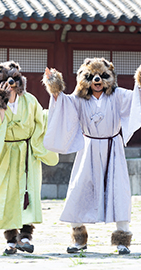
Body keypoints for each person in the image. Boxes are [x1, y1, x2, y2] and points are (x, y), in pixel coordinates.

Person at [42, 58, 141, 255]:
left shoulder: (118, 96)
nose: (97, 80)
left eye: (103, 76)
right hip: (88, 149)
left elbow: (136, 100)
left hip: (113, 149)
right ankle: (79, 238)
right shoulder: (78, 99)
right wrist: (54, 84)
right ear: (83, 79)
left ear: (110, 78)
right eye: (91, 76)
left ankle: (122, 238)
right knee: (79, 189)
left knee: (118, 191)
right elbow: (62, 102)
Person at [0, 61, 59, 255]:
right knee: (5, 196)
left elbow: (41, 121)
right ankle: (10, 238)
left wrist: (55, 101)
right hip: (5, 153)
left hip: (26, 153)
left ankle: (25, 236)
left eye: (14, 79)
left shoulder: (30, 100)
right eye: (5, 81)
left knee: (28, 194)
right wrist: (0, 106)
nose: (11, 84)